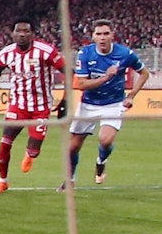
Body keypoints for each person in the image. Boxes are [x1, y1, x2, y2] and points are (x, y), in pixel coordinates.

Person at [0, 19, 65, 195]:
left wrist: (65, 100)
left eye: (26, 31)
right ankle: (2, 181)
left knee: (34, 150)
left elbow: (68, 73)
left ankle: (30, 154)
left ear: (32, 34)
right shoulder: (6, 53)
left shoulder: (46, 51)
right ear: (12, 34)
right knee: (5, 142)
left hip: (41, 106)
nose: (22, 34)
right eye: (19, 31)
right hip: (17, 105)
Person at [63, 20, 147, 191]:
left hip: (114, 104)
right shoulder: (85, 54)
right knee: (73, 147)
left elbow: (144, 73)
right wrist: (105, 78)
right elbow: (82, 85)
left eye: (106, 34)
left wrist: (131, 95)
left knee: (105, 139)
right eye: (99, 34)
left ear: (112, 35)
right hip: (89, 103)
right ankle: (69, 180)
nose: (102, 38)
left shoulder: (125, 54)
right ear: (93, 36)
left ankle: (101, 161)